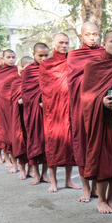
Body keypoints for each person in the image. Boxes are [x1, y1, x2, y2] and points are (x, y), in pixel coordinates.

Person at [81, 30, 112, 214]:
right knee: (103, 161)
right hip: (101, 120)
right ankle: (101, 200)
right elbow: (86, 96)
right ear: (104, 44)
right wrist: (101, 101)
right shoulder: (93, 66)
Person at [67, 22, 105, 202]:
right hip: (81, 107)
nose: (92, 37)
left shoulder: (105, 53)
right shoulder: (74, 56)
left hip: (100, 107)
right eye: (88, 34)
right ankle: (85, 188)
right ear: (82, 36)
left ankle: (97, 187)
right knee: (82, 144)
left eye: (95, 34)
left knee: (98, 145)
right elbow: (73, 82)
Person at [39, 33, 80, 193]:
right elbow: (45, 87)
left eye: (66, 42)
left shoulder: (73, 61)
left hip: (70, 108)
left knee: (70, 144)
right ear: (54, 44)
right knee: (53, 144)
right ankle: (54, 182)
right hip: (53, 110)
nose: (64, 45)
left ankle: (69, 180)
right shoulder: (46, 64)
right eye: (61, 42)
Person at [22, 43, 50, 185]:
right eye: (40, 55)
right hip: (33, 112)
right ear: (34, 54)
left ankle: (45, 174)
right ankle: (36, 174)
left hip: (48, 112)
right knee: (34, 141)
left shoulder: (51, 69)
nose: (44, 58)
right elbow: (26, 94)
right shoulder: (28, 71)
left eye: (46, 55)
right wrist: (37, 101)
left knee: (47, 143)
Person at [10, 56, 33, 180]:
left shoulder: (35, 80)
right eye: (27, 67)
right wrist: (20, 100)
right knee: (20, 143)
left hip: (32, 116)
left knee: (31, 142)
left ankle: (30, 169)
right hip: (19, 117)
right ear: (21, 68)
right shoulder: (16, 82)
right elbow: (13, 99)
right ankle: (22, 170)